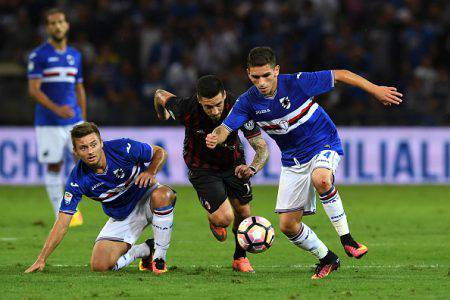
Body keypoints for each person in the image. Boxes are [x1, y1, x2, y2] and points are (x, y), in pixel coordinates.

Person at [206, 47, 403, 279]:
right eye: (255, 77)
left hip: (323, 143)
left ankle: (347, 239)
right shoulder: (247, 102)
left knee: (321, 178)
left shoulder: (298, 83)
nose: (261, 82)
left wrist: (375, 90)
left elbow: (340, 74)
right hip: (292, 160)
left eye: (266, 75)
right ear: (248, 74)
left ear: (276, 70)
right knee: (288, 225)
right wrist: (214, 136)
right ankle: (328, 258)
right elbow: (225, 128)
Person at [25, 122, 176, 274]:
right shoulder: (77, 180)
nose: (90, 151)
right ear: (75, 152)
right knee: (100, 266)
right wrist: (42, 258)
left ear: (101, 143)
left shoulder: (123, 148)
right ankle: (145, 250)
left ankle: (159, 257)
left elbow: (159, 152)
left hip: (148, 198)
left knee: (164, 195)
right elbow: (63, 221)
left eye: (93, 144)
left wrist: (151, 171)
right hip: (122, 216)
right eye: (83, 148)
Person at [154, 75, 269, 272]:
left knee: (244, 212)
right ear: (199, 100)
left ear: (224, 95)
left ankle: (239, 258)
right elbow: (159, 94)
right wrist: (162, 113)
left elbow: (261, 148)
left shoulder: (239, 107)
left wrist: (251, 168)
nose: (215, 111)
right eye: (208, 107)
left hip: (233, 163)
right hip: (202, 167)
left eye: (218, 104)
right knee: (224, 218)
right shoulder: (186, 109)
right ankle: (214, 218)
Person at [27, 8, 87, 226]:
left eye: (60, 22)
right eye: (52, 23)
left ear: (67, 25)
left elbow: (80, 88)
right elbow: (33, 90)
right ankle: (61, 214)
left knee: (82, 161)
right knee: (54, 165)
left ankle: (74, 205)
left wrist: (85, 120)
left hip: (74, 119)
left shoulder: (75, 55)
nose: (57, 26)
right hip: (49, 122)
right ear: (47, 28)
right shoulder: (39, 55)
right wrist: (56, 109)